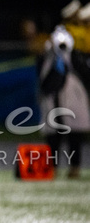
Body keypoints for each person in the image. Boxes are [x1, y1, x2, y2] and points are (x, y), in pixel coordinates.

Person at [38, 25, 90, 178]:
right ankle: (52, 168)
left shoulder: (75, 56)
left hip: (72, 101)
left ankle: (75, 167)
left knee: (74, 135)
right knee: (53, 137)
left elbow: (86, 75)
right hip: (53, 101)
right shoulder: (47, 57)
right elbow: (43, 80)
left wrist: (72, 56)